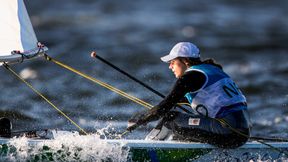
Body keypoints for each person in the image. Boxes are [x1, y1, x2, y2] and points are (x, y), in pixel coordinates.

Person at [127, 42, 251, 148]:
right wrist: (160, 109)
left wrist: (141, 119)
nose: (170, 66)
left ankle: (147, 148)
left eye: (173, 62)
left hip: (227, 133)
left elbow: (165, 106)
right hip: (242, 133)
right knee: (178, 125)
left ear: (185, 61)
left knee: (171, 118)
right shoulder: (212, 70)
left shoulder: (191, 76)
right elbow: (174, 102)